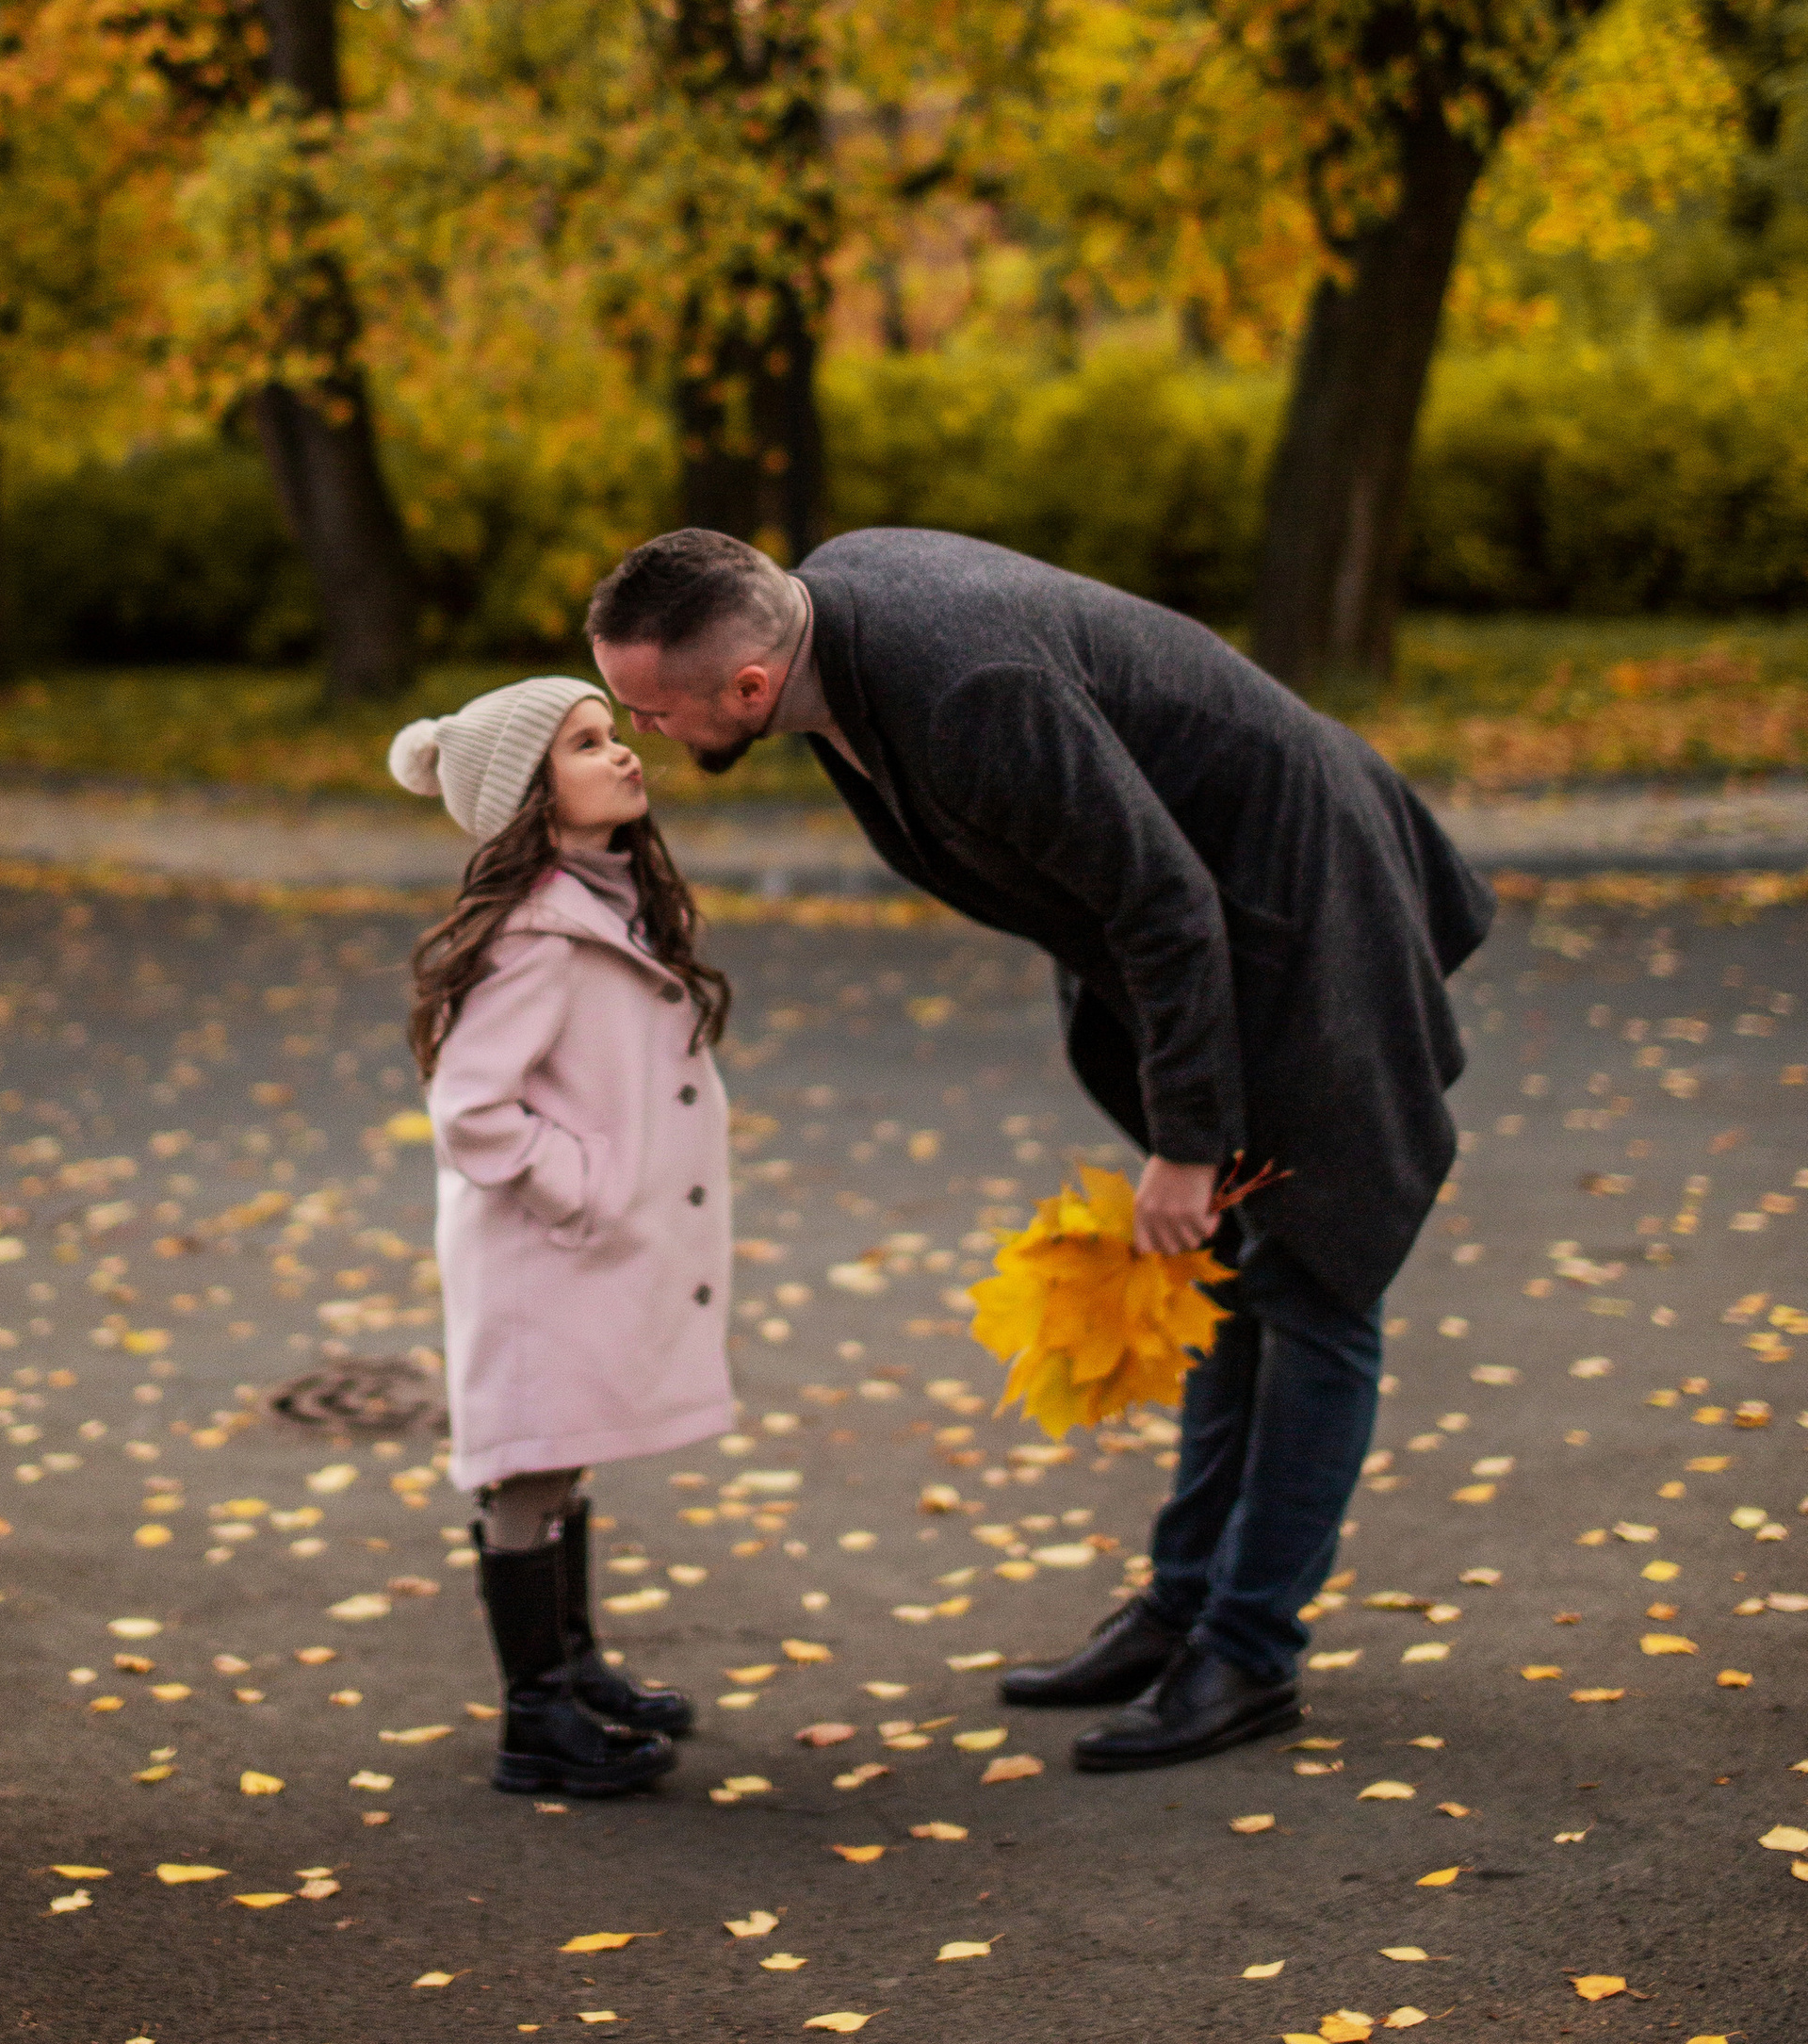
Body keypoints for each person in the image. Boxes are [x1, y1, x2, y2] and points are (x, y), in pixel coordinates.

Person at [586, 526, 1494, 1774]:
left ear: (748, 687)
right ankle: (1182, 1609)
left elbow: (1165, 903)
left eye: (650, 710)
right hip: (1208, 937)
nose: (643, 734)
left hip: (1300, 914)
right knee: (1230, 1282)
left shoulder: (968, 693)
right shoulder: (829, 628)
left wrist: (1189, 1149)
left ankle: (1248, 1651)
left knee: (1317, 1286)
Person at [387, 674, 737, 1798]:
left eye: (612, 734)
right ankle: (534, 1716)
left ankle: (572, 1671)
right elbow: (470, 1108)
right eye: (586, 744)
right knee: (528, 1472)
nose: (623, 752)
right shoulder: (538, 933)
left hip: (571, 1250)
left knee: (562, 1453)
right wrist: (581, 1187)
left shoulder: (600, 900)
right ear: (529, 795)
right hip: (543, 1254)